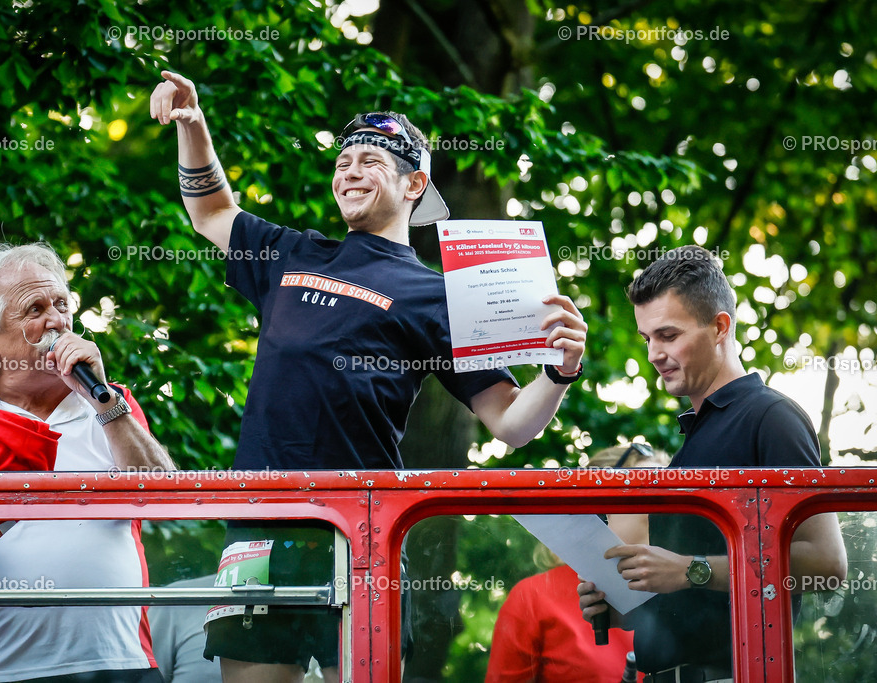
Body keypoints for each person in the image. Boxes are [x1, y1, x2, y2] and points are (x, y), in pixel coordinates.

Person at [149, 72, 588, 683]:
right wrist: (193, 126)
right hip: (259, 525)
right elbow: (210, 211)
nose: (348, 171)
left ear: (415, 184)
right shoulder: (291, 253)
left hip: (360, 530)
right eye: (342, 161)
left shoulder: (437, 295)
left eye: (369, 161)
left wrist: (560, 370)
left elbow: (511, 423)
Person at [577, 246, 847, 683]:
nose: (653, 355)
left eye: (668, 335)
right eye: (647, 339)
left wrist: (688, 570)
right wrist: (620, 601)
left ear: (720, 327)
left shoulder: (771, 417)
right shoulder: (692, 441)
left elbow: (826, 565)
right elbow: (691, 594)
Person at [0, 243, 175, 683]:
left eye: (61, 305)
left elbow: (166, 498)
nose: (56, 320)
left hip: (125, 662)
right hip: (8, 669)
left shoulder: (113, 403)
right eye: (35, 309)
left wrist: (101, 398)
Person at [486, 444, 667, 683]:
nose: (669, 511)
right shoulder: (534, 597)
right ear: (599, 512)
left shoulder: (686, 588)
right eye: (649, 496)